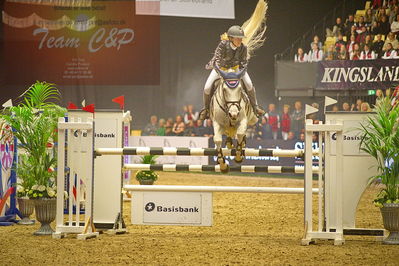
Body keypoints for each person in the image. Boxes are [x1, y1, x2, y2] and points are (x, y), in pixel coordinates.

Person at [200, 25, 265, 120]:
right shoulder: (222, 44)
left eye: (241, 38)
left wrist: (239, 74)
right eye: (237, 38)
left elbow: (243, 64)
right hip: (220, 69)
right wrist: (223, 73)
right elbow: (217, 61)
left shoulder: (243, 48)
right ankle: (206, 109)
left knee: (249, 84)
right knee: (207, 87)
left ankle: (255, 107)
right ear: (231, 38)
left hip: (236, 69)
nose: (240, 40)